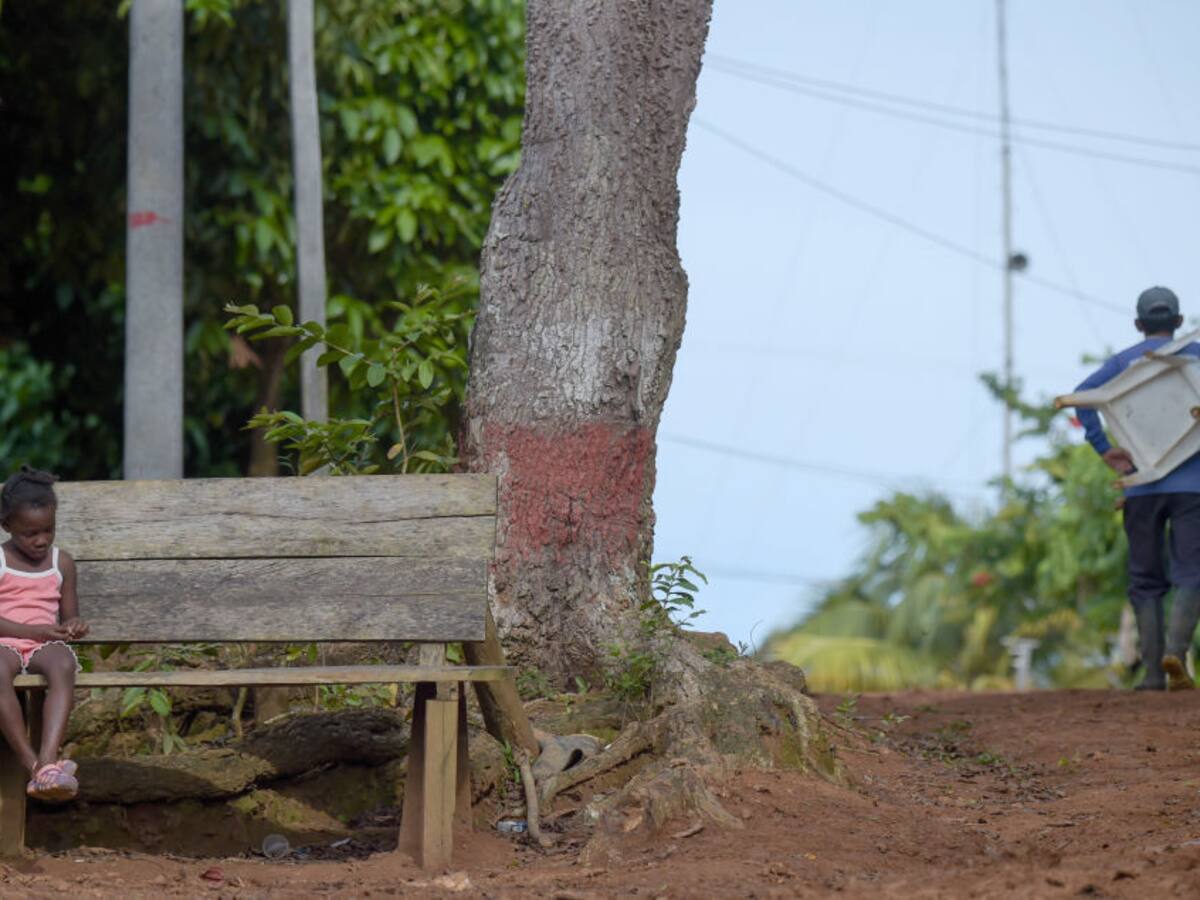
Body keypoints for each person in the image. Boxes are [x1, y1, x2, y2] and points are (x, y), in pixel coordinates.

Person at [1075, 286, 1200, 692]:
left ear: (1138, 324)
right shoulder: (1195, 354)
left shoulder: (1122, 363)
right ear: (1179, 322)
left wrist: (1105, 449)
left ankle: (1150, 676)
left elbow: (1082, 400)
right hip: (1192, 487)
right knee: (1191, 573)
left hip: (1140, 488)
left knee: (1145, 580)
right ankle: (1175, 654)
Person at [0, 466, 88, 800]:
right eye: (30, 533)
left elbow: (68, 616)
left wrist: (74, 626)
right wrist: (34, 630)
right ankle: (33, 764)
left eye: (48, 530)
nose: (41, 540)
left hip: (44, 645)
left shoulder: (61, 563)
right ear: (6, 525)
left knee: (63, 664)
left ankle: (49, 759)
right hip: (4, 642)